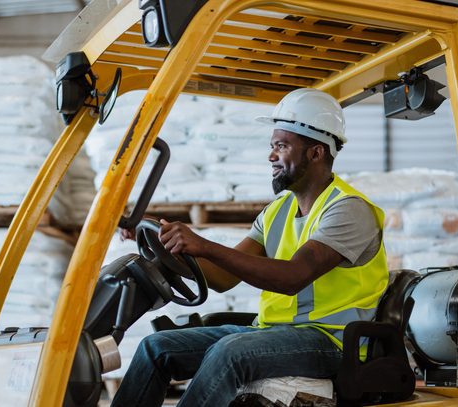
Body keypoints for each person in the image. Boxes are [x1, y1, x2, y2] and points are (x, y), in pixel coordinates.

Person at [111, 88, 389, 407]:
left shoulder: (347, 209)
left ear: (316, 152)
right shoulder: (278, 210)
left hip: (332, 342)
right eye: (272, 146)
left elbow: (293, 277)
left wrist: (205, 245)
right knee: (155, 347)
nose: (271, 156)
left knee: (230, 353)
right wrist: (168, 243)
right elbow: (223, 278)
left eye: (282, 146)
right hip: (274, 333)